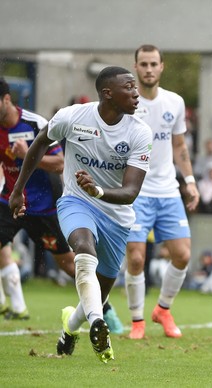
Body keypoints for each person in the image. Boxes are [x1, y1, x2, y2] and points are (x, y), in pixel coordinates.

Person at [9, 66, 152, 363]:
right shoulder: (72, 117)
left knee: (100, 290)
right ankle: (98, 325)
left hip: (117, 214)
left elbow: (130, 193)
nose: (136, 93)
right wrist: (18, 189)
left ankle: (71, 327)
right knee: (84, 250)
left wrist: (99, 191)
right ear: (108, 94)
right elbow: (39, 145)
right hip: (76, 201)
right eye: (129, 87)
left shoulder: (139, 131)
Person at [124, 44, 200, 340]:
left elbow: (179, 146)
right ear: (136, 67)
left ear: (162, 66)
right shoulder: (126, 103)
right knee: (136, 259)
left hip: (168, 190)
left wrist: (190, 180)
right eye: (143, 64)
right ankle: (137, 321)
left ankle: (163, 310)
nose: (149, 69)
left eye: (153, 64)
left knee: (182, 255)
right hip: (136, 192)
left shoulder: (175, 102)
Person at [0, 77, 79, 321]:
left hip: (44, 206)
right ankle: (17, 306)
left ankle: (102, 304)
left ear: (6, 100)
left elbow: (60, 163)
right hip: (10, 201)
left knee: (67, 264)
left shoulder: (35, 123)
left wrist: (28, 154)